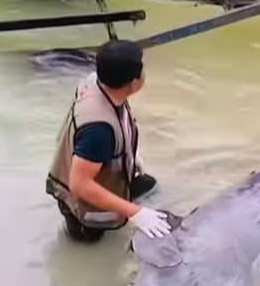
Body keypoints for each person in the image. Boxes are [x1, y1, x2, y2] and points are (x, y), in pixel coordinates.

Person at [45, 40, 171, 243]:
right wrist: (135, 213)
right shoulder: (99, 131)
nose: (145, 72)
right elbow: (80, 185)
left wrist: (131, 153)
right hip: (82, 203)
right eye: (142, 68)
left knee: (150, 186)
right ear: (133, 83)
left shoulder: (97, 81)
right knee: (91, 241)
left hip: (98, 165)